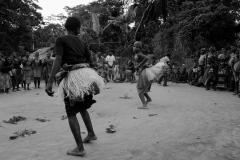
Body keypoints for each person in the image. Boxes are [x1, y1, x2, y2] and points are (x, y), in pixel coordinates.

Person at [45, 17, 104, 157]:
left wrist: (49, 80)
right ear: (77, 29)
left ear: (66, 27)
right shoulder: (82, 42)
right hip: (85, 76)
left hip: (73, 79)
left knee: (71, 113)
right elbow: (90, 61)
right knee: (82, 107)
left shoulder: (61, 40)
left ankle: (80, 148)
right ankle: (91, 133)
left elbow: (58, 59)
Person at [134, 41, 168, 109]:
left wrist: (139, 65)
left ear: (138, 47)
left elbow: (146, 58)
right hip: (143, 71)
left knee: (139, 88)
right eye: (134, 46)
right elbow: (144, 60)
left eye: (135, 46)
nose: (133, 47)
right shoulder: (138, 53)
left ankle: (144, 105)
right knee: (142, 88)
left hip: (144, 72)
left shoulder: (139, 53)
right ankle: (148, 99)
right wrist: (141, 65)